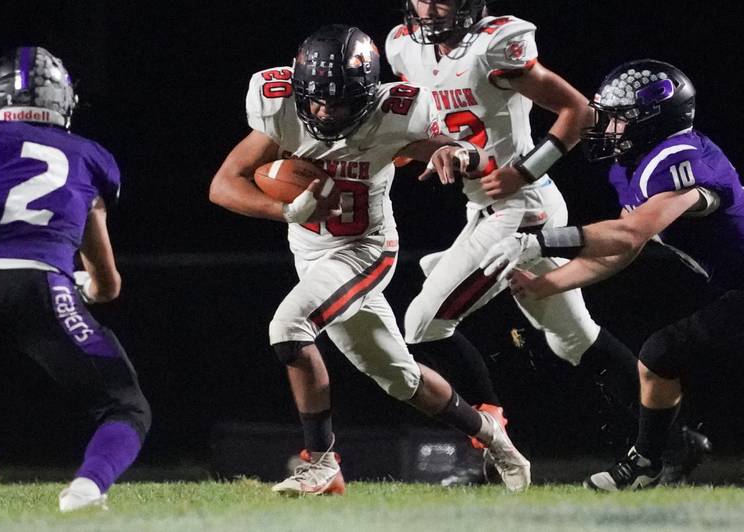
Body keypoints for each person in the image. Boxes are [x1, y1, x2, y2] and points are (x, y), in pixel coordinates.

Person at [210, 24, 530, 494]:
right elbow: (223, 185)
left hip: (365, 251)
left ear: (364, 94)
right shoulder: (281, 109)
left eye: (337, 101)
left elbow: (466, 152)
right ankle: (495, 439)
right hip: (312, 257)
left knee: (288, 328)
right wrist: (284, 210)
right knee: (401, 379)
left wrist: (456, 154)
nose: (322, 110)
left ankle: (320, 461)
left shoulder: (394, 113)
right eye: (315, 99)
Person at [385, 0, 648, 452]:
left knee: (423, 323)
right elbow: (435, 125)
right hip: (486, 208)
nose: (429, 9)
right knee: (574, 339)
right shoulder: (404, 47)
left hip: (523, 209)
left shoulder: (493, 46)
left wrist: (523, 170)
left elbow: (579, 110)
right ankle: (670, 440)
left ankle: (490, 425)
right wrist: (420, 151)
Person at [481, 59, 730, 490]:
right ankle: (648, 463)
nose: (607, 128)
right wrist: (546, 284)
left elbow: (632, 230)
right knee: (660, 356)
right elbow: (622, 248)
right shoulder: (634, 167)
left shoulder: (679, 160)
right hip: (734, 285)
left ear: (653, 121)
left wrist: (537, 241)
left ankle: (647, 463)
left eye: (617, 119)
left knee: (661, 352)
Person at [0, 47, 151, 512]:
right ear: (65, 101)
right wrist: (78, 288)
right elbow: (107, 284)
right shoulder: (89, 157)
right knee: (125, 405)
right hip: (46, 286)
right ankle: (86, 489)